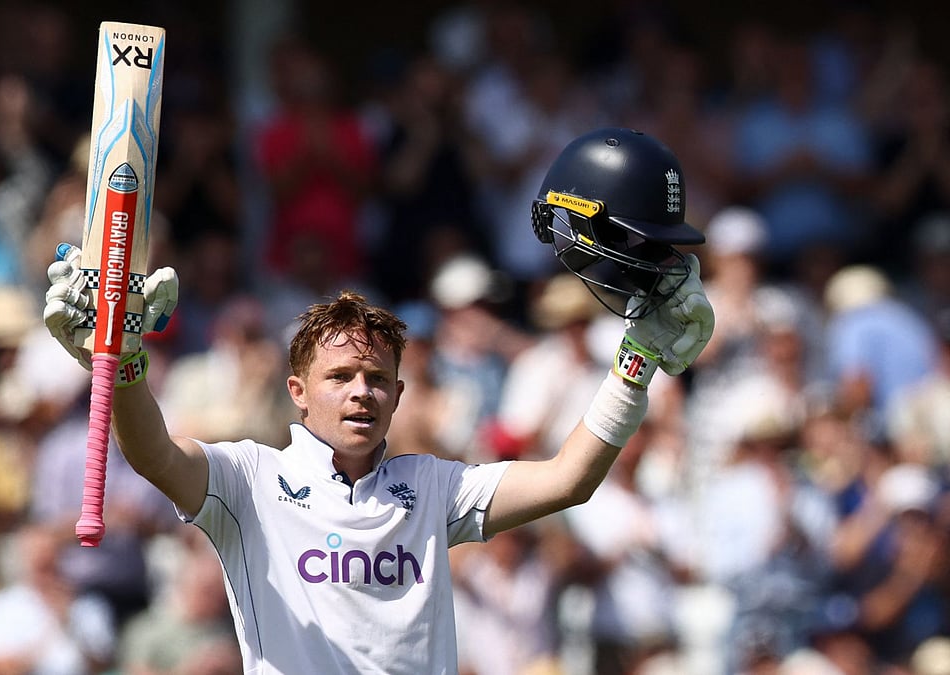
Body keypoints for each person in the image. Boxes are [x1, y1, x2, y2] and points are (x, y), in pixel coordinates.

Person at [42, 127, 714, 673]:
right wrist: (123, 359)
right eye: (340, 377)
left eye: (377, 378)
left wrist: (637, 361)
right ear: (297, 392)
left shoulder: (432, 485)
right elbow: (152, 450)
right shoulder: (249, 481)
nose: (361, 390)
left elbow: (570, 478)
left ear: (398, 394)